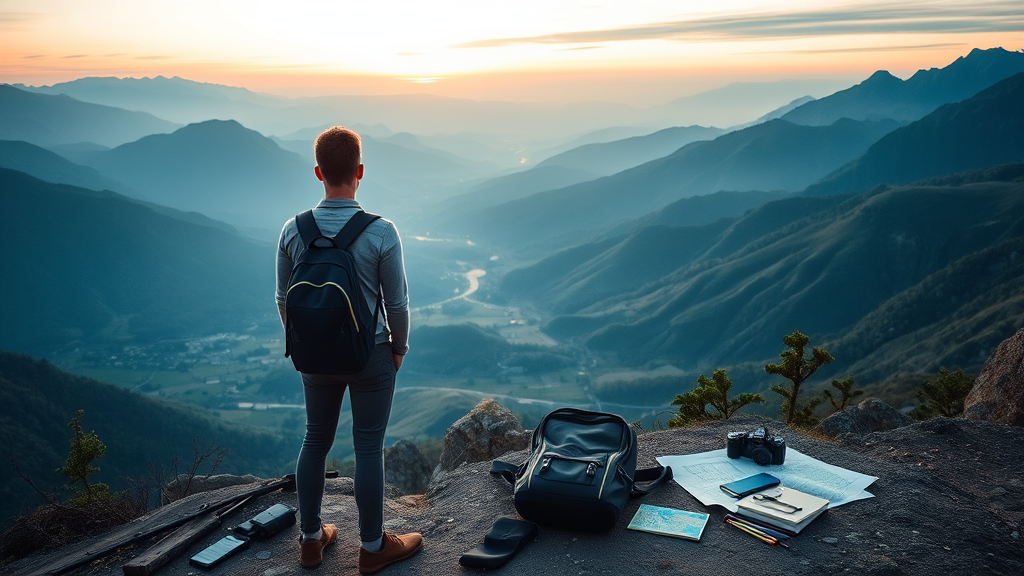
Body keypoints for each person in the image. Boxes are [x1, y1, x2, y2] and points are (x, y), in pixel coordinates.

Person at [275, 126, 422, 574]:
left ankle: (311, 540)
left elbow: (284, 299)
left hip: (314, 356)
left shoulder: (292, 229)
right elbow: (396, 302)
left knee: (315, 439)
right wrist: (399, 346)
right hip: (370, 353)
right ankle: (373, 547)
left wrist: (306, 343)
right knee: (368, 447)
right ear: (359, 172)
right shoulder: (381, 232)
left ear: (319, 172)